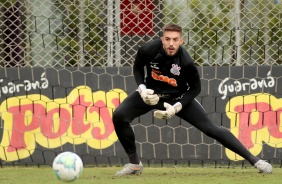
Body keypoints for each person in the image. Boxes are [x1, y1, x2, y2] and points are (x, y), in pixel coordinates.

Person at [112, 23, 272, 176]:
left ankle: (255, 161)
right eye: (167, 39)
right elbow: (138, 67)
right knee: (119, 116)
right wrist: (143, 89)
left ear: (181, 41)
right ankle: (134, 164)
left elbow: (195, 89)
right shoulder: (148, 49)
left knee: (210, 128)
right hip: (151, 94)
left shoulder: (186, 62)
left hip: (177, 97)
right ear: (162, 39)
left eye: (175, 40)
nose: (171, 43)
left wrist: (177, 107)